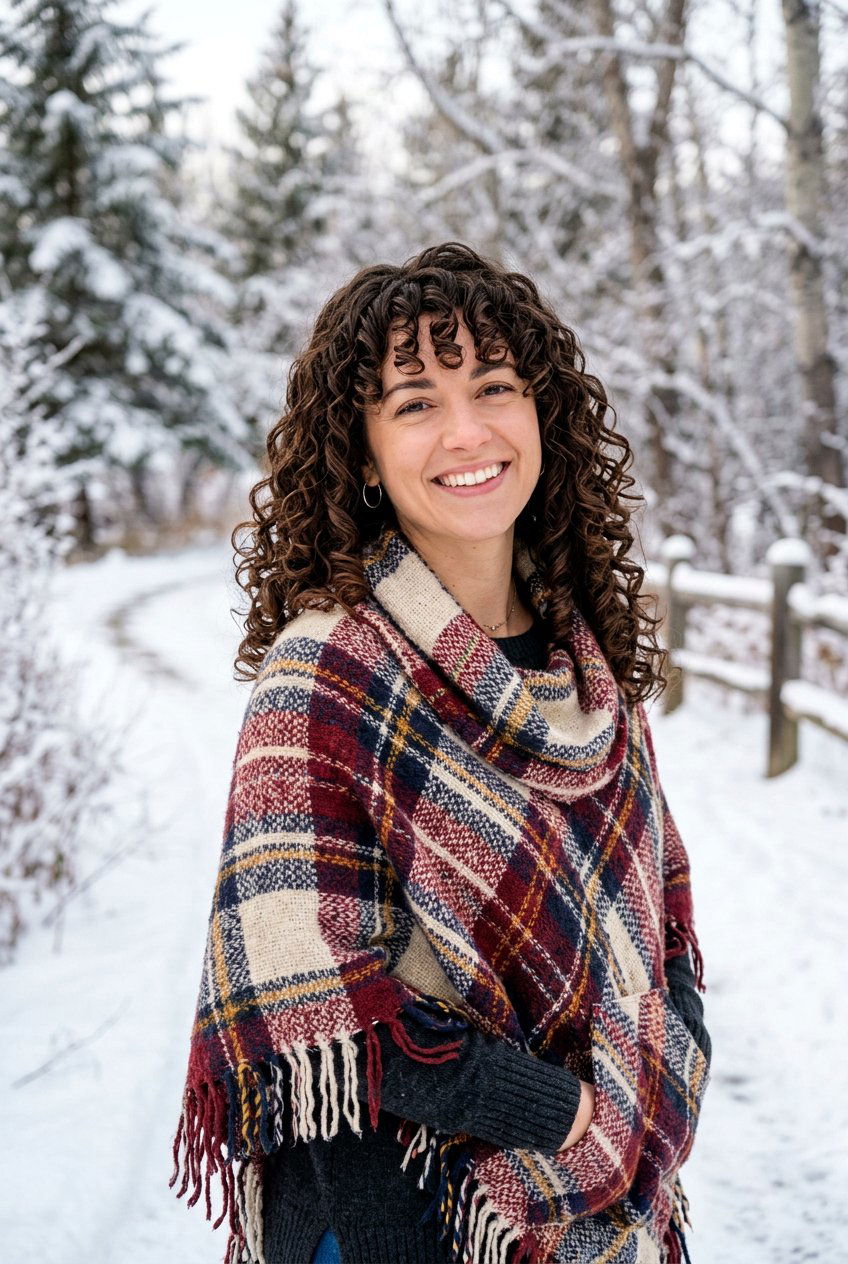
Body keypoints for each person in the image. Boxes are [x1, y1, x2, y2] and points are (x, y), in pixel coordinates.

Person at [170, 241, 711, 1264]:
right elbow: (331, 1007)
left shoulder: (585, 673)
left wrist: (671, 1069)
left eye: (494, 386)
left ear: (541, 412)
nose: (466, 430)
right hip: (396, 1219)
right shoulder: (329, 671)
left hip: (607, 1215)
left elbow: (661, 918)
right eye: (414, 402)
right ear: (362, 449)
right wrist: (574, 1118)